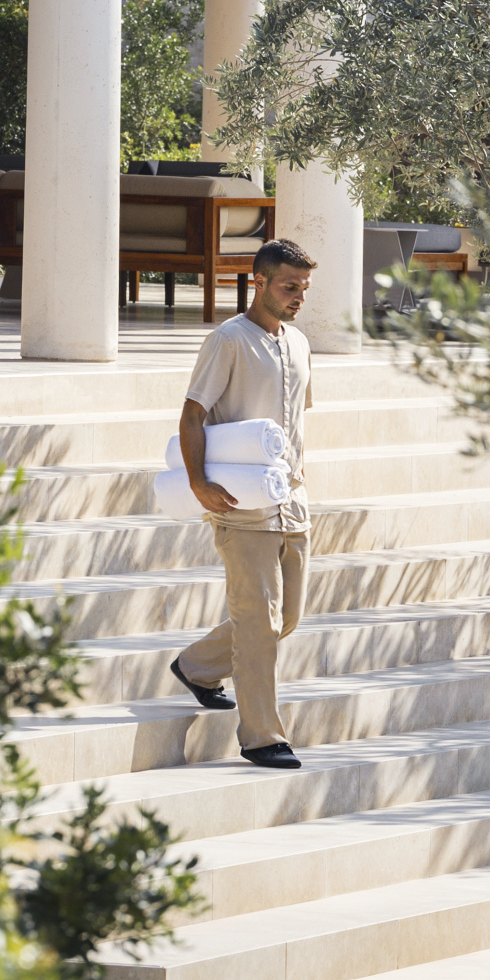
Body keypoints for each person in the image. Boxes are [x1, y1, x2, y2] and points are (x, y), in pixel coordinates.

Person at [170, 237, 317, 769]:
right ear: (259, 282)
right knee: (258, 623)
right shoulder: (228, 340)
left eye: (303, 288)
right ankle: (263, 737)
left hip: (292, 504)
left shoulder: (299, 344)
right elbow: (192, 415)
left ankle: (197, 667)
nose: (298, 296)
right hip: (240, 505)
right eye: (289, 286)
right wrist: (197, 484)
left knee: (286, 618)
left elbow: (298, 421)